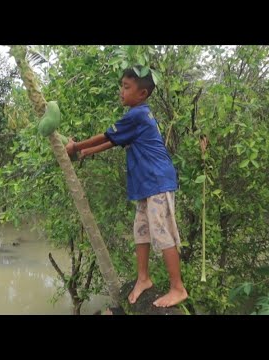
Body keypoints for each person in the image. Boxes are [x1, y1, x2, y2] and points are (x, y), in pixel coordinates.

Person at [65, 66, 188, 307]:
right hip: (146, 184)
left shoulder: (138, 115)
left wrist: (77, 146)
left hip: (157, 182)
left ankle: (178, 288)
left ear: (142, 94)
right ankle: (143, 278)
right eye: (121, 86)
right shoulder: (138, 115)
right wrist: (87, 152)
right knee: (141, 231)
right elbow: (115, 141)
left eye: (127, 87)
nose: (121, 91)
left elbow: (106, 136)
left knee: (162, 233)